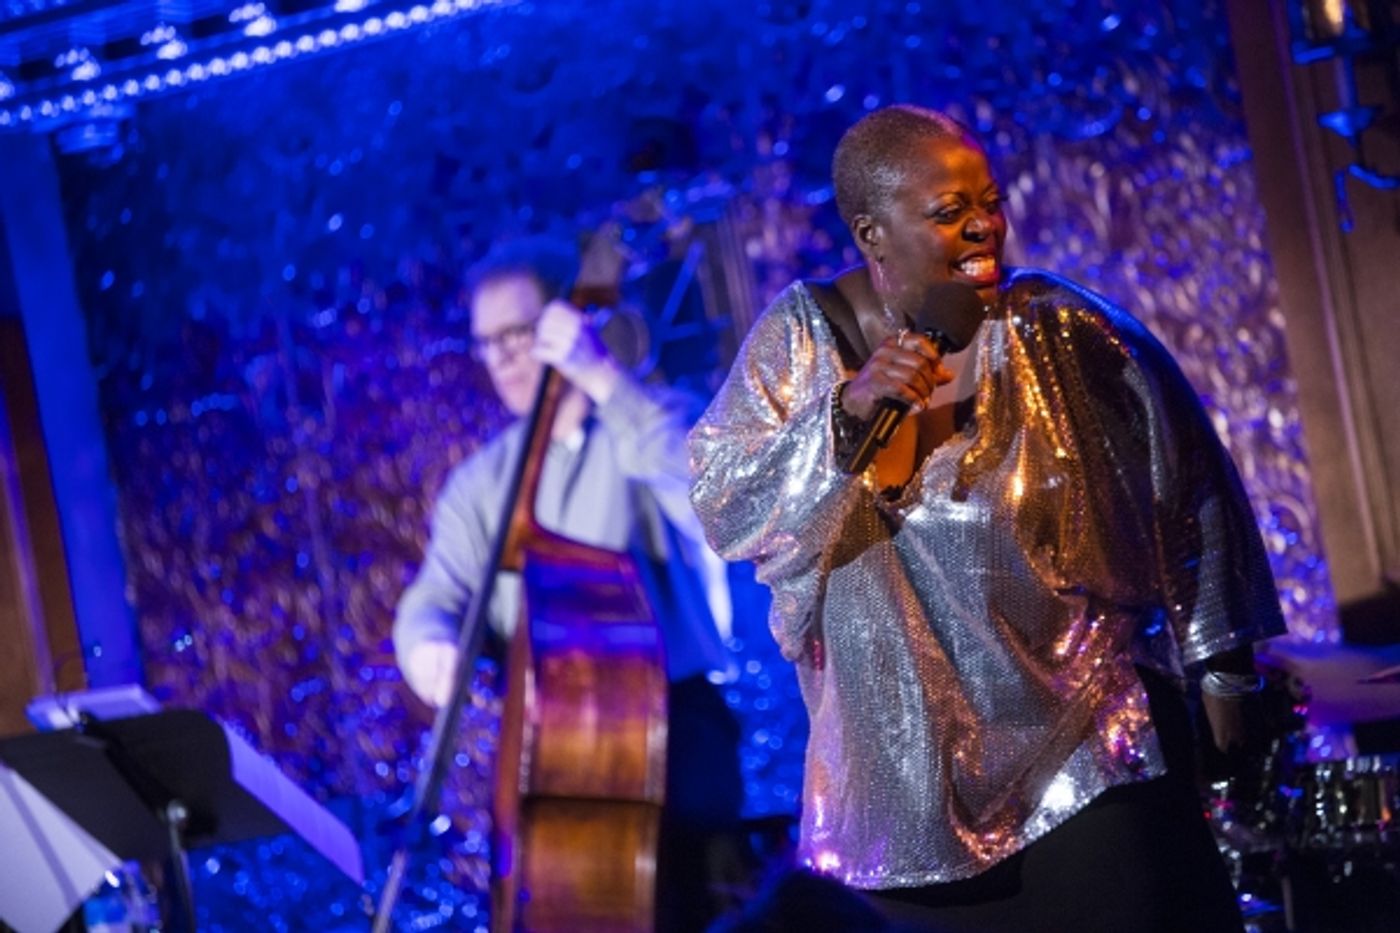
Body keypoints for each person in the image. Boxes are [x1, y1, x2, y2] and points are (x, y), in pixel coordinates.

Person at [688, 105, 1285, 933]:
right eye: (948, 212)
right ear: (871, 234)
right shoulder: (801, 339)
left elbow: (1189, 483)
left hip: (1083, 752)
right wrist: (846, 419)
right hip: (894, 799)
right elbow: (725, 503)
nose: (982, 226)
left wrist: (1223, 665)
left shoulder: (1060, 329)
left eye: (990, 203)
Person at [393, 237, 744, 932]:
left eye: (518, 333)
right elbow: (433, 599)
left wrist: (603, 377)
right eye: (487, 343)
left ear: (565, 323)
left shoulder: (651, 418)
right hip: (551, 757)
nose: (502, 358)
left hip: (677, 733)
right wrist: (430, 646)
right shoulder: (481, 486)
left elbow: (717, 499)